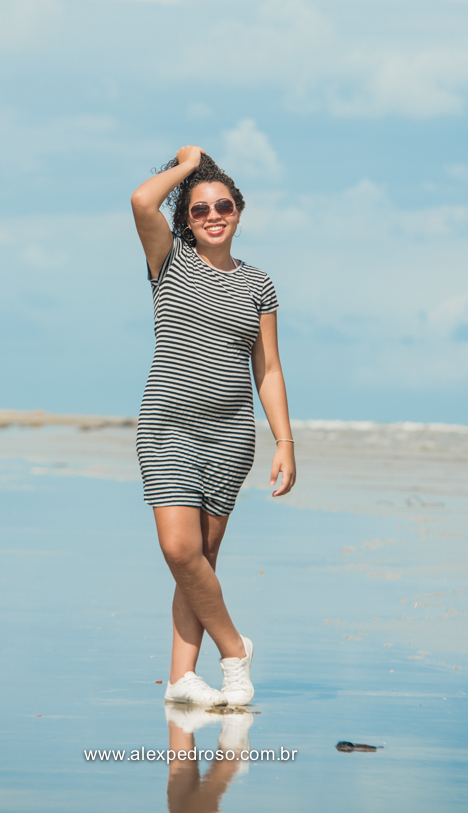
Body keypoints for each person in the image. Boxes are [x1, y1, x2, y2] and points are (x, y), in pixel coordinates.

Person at [131, 145, 296, 708]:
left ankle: (182, 676)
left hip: (231, 437)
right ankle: (234, 650)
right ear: (186, 219)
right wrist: (187, 165)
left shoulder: (259, 284)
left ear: (239, 211)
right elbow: (141, 201)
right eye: (199, 209)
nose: (213, 215)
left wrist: (285, 441)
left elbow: (268, 370)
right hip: (168, 429)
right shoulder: (169, 260)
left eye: (223, 205)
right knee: (180, 550)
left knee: (201, 561)